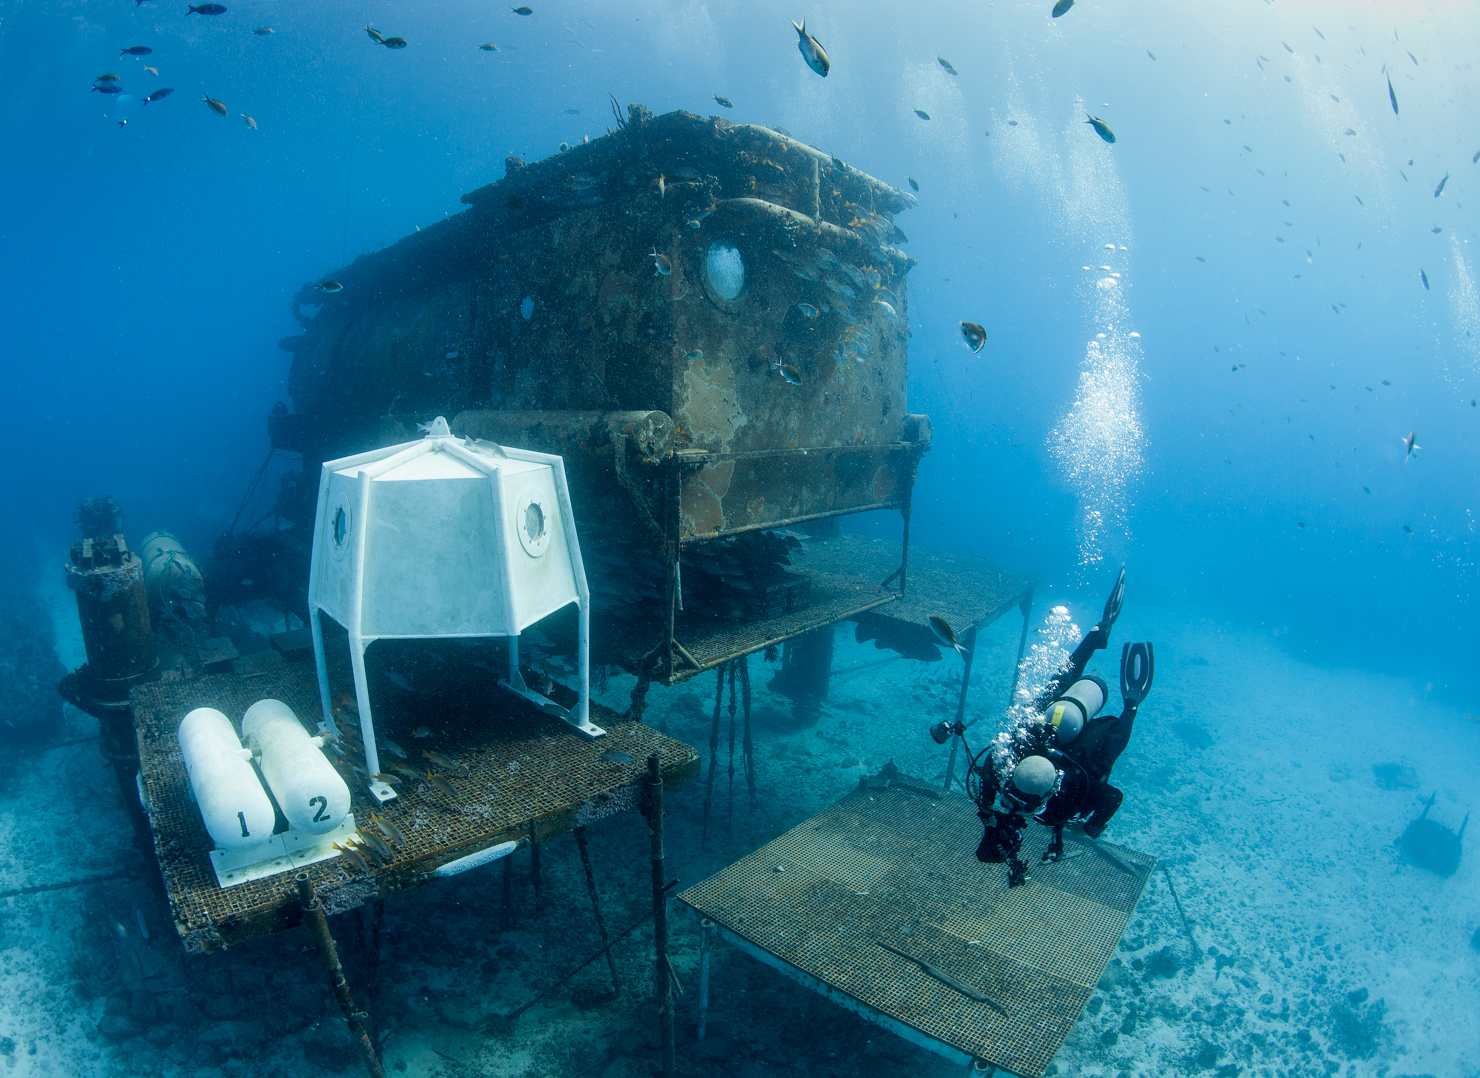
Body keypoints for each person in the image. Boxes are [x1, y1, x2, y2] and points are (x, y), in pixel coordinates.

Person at [960, 567, 1154, 886]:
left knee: (1101, 746)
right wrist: (1088, 827)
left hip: (1069, 742)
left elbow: (1112, 796)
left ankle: (1129, 698)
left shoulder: (1056, 793)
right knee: (1051, 692)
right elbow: (1111, 797)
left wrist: (1088, 828)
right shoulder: (1012, 773)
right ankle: (1096, 637)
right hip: (1059, 734)